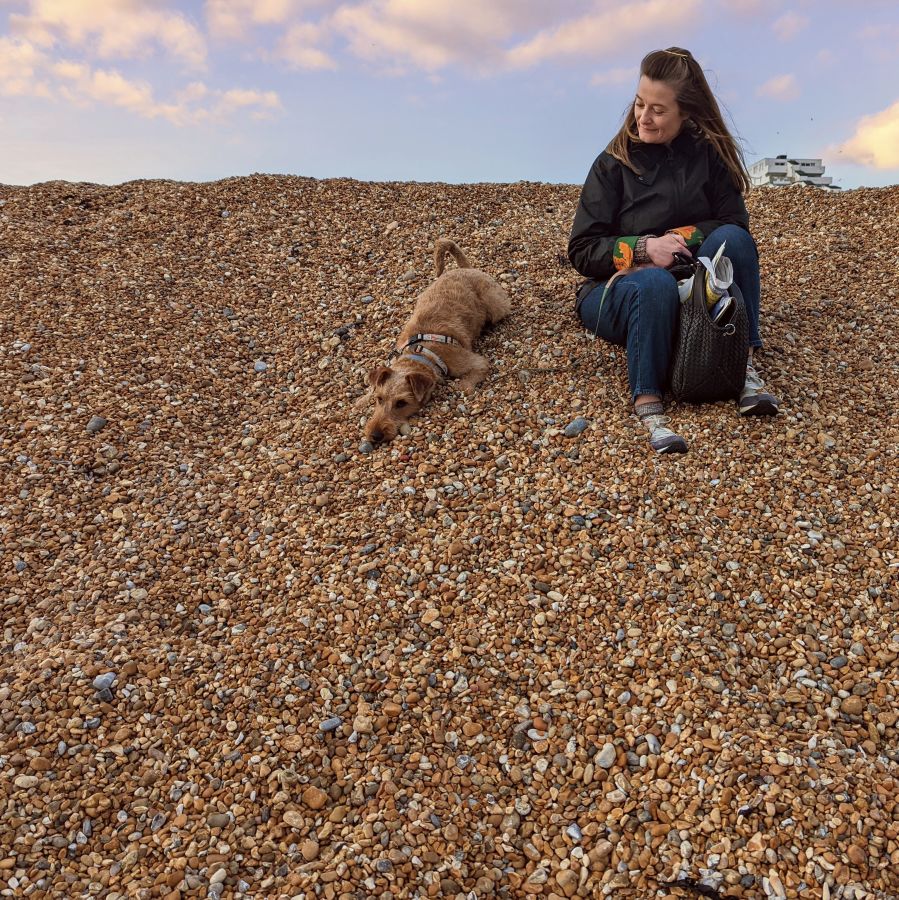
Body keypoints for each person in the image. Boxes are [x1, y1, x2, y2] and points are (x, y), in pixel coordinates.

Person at [568, 47, 779, 455]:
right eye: (639, 103)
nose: (643, 117)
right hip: (616, 291)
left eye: (658, 110)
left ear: (687, 113)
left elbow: (734, 224)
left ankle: (744, 366)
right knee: (652, 283)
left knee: (735, 241)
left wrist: (677, 240)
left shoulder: (709, 156)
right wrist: (644, 248)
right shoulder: (612, 165)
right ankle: (649, 404)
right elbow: (581, 250)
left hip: (693, 282)